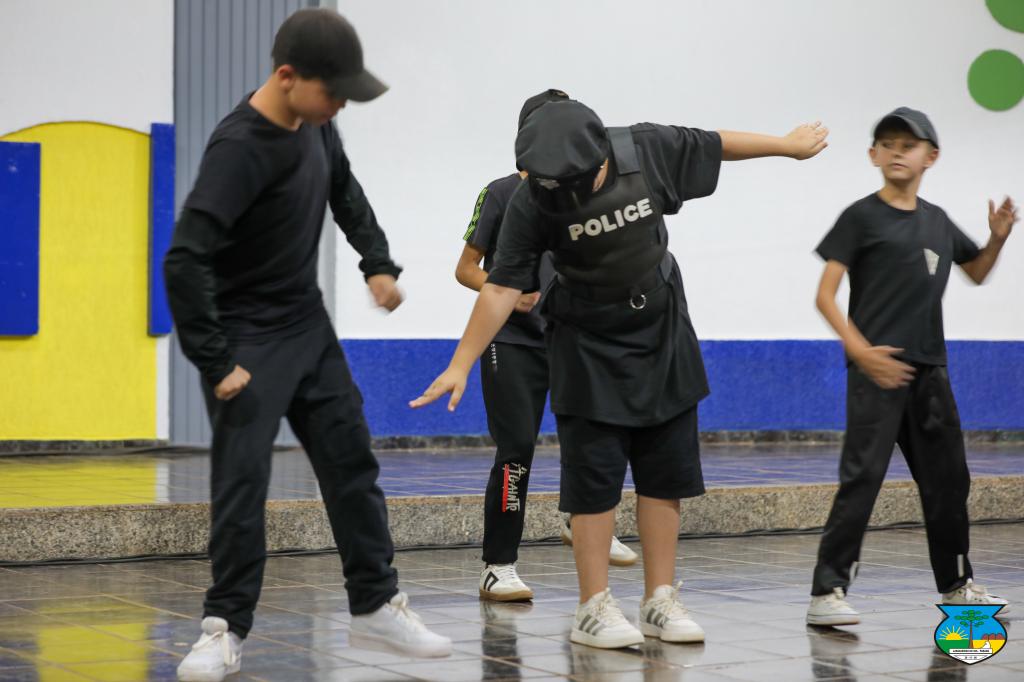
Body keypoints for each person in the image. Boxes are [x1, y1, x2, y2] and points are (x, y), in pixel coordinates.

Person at [412, 96, 829, 648]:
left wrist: (787, 146)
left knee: (665, 467)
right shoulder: (531, 200)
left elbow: (716, 143)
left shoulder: (644, 148)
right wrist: (460, 363)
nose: (564, 196)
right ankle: (593, 607)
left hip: (660, 326)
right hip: (584, 338)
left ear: (600, 156)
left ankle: (660, 600)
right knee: (593, 474)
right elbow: (499, 285)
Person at [164, 9, 451, 680]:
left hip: (305, 326)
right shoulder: (239, 149)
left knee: (352, 462)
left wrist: (377, 263)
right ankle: (223, 629)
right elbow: (184, 259)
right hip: (245, 340)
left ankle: (375, 605)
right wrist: (215, 359)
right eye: (333, 92)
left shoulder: (318, 125)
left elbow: (344, 190)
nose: (340, 105)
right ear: (288, 77)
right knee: (243, 486)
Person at [805, 107, 1015, 626]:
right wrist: (861, 352)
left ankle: (957, 586)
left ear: (931, 157)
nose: (897, 152)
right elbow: (826, 295)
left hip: (930, 372)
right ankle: (827, 592)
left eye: (909, 145)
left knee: (949, 481)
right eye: (888, 144)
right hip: (876, 370)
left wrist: (997, 239)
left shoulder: (937, 221)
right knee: (863, 479)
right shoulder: (860, 217)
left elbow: (976, 272)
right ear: (873, 155)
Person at [458, 90, 638, 604]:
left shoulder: (587, 193)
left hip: (570, 337)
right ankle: (498, 566)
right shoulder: (499, 193)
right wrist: (510, 293)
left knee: (594, 439)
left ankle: (578, 519)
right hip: (512, 343)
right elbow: (466, 269)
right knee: (516, 450)